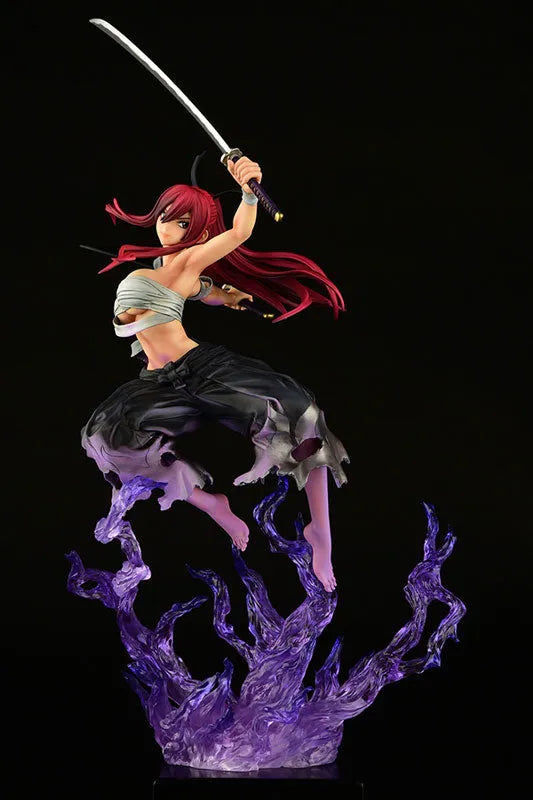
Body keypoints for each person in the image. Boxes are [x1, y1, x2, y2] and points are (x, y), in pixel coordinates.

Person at [81, 156, 349, 592]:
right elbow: (203, 291)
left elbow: (240, 232)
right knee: (106, 439)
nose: (168, 227)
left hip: (202, 370)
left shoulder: (189, 260)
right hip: (158, 384)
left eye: (183, 223)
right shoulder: (169, 271)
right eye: (166, 216)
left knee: (301, 411)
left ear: (200, 234)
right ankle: (212, 504)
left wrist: (247, 191)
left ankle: (320, 530)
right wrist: (227, 296)